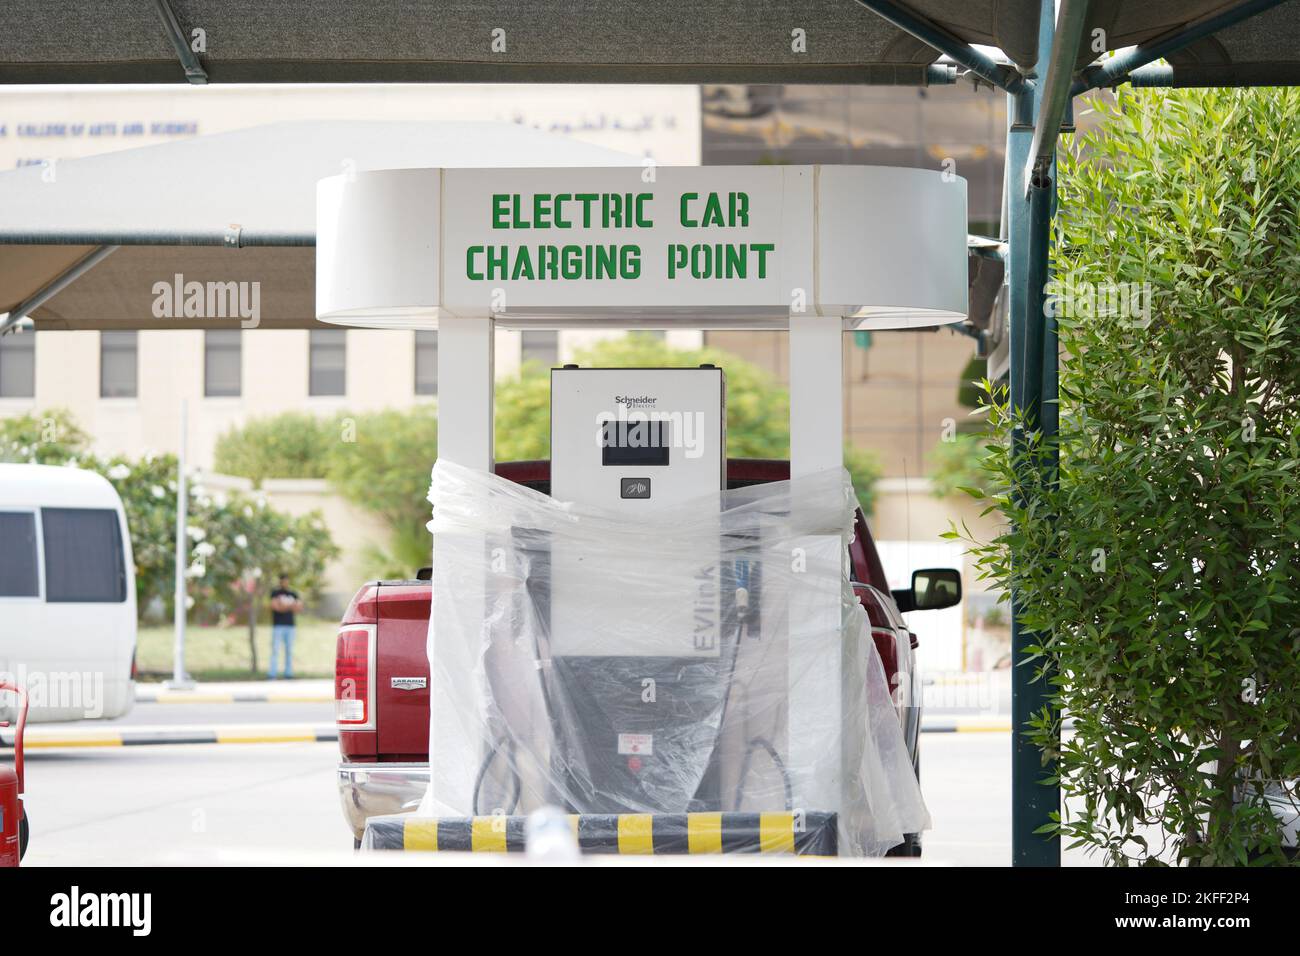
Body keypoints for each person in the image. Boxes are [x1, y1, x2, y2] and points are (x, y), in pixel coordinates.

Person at [268, 575, 303, 680]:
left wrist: (284, 605)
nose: (285, 583)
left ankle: (288, 673)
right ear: (280, 581)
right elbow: (275, 607)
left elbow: (298, 608)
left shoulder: (293, 594)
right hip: (278, 625)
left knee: (289, 650)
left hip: (290, 626)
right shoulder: (275, 593)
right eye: (283, 581)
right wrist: (290, 606)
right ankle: (272, 674)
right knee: (275, 650)